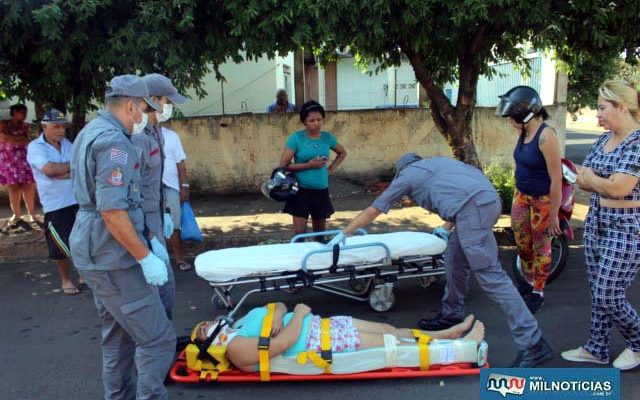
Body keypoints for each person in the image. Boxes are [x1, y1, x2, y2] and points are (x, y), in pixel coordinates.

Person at [327, 153, 552, 367]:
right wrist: (446, 228)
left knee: (492, 278)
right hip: (485, 203)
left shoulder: (407, 175)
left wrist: (344, 233)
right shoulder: (439, 165)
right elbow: (462, 195)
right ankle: (452, 314)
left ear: (401, 170)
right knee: (454, 255)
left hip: (474, 210)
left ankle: (533, 343)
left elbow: (373, 210)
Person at [70, 75, 176, 399]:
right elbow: (113, 211)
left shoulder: (91, 131)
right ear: (131, 106)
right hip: (112, 253)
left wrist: (152, 231)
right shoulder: (116, 142)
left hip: (95, 248)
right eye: (145, 107)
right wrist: (145, 257)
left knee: (117, 335)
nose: (147, 114)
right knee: (157, 338)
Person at [561, 80, 640, 371]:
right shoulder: (602, 141)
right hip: (597, 221)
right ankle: (597, 348)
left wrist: (596, 181)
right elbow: (580, 177)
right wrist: (600, 183)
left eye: (602, 108)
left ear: (621, 106)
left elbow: (619, 188)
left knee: (608, 292)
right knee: (598, 290)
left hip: (627, 227)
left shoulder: (638, 142)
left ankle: (638, 342)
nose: (598, 116)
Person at [193, 302, 484, 372]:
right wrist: (299, 311)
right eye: (203, 328)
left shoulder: (241, 326)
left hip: (324, 327)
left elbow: (274, 305)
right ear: (209, 344)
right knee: (391, 344)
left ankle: (446, 333)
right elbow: (281, 345)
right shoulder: (236, 351)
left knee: (388, 330)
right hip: (321, 344)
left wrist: (283, 312)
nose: (207, 322)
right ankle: (463, 348)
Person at [496, 86, 563, 314]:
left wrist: (554, 214)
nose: (509, 123)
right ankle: (528, 282)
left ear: (526, 114)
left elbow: (556, 179)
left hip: (542, 200)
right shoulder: (523, 133)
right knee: (523, 245)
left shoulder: (546, 136)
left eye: (512, 118)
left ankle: (538, 291)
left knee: (541, 247)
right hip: (521, 196)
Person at [132, 73, 187, 320]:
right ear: (152, 100)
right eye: (167, 101)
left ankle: (162, 341)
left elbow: (154, 182)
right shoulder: (137, 137)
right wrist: (147, 236)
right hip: (142, 226)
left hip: (155, 216)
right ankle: (157, 347)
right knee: (154, 297)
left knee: (166, 293)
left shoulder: (156, 132)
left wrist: (163, 211)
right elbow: (130, 192)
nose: (170, 107)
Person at [26, 109, 81, 295]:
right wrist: (66, 170)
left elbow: (79, 166)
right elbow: (49, 170)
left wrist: (62, 172)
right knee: (61, 246)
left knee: (81, 241)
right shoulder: (35, 147)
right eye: (56, 127)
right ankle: (66, 280)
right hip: (55, 205)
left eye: (63, 127)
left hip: (76, 200)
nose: (61, 131)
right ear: (44, 127)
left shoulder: (67, 144)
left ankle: (83, 273)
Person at [278, 100, 347, 239]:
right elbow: (283, 164)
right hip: (300, 192)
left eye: (319, 119)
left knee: (320, 237)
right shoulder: (297, 138)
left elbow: (342, 153)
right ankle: (300, 260)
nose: (316, 123)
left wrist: (329, 170)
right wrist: (308, 165)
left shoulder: (327, 137)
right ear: (304, 121)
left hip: (321, 191)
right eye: (311, 120)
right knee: (299, 236)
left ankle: (319, 260)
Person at [0, 103, 38, 229]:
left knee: (28, 187)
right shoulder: (3, 124)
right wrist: (16, 138)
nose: (25, 115)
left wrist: (10, 138)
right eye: (23, 112)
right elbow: (3, 138)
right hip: (9, 161)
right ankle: (16, 215)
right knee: (14, 188)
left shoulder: (27, 126)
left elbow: (27, 140)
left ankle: (32, 214)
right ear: (15, 112)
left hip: (25, 160)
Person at [162, 123, 192, 271]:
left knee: (174, 225)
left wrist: (184, 186)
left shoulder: (171, 136)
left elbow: (180, 163)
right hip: (149, 189)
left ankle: (179, 259)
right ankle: (159, 261)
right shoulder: (138, 135)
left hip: (171, 187)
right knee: (151, 225)